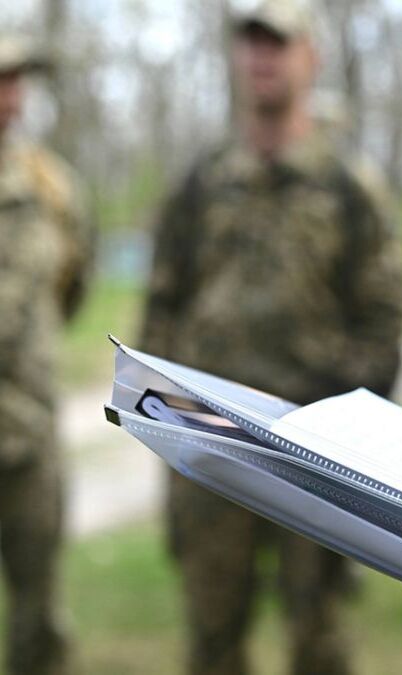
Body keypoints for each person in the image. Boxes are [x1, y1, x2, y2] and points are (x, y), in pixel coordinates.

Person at [139, 1, 402, 673]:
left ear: (310, 57)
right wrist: (163, 424)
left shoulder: (349, 187)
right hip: (208, 438)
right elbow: (163, 305)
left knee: (318, 637)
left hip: (310, 447)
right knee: (212, 632)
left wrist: (346, 431)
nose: (262, 57)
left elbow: (383, 317)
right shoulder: (201, 184)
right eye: (251, 42)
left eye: (278, 42)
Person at [0, 33, 94, 675]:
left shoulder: (52, 189)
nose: (9, 95)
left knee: (40, 620)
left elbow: (72, 290)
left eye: (17, 79)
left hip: (28, 443)